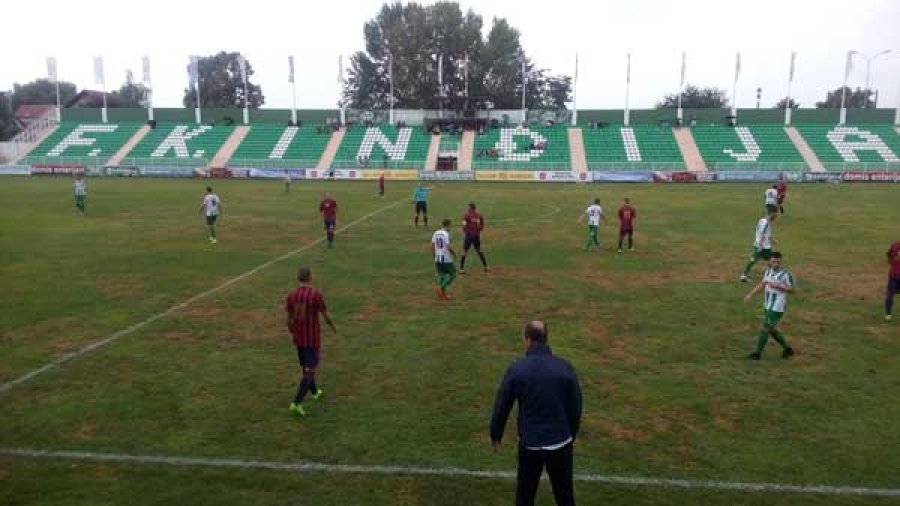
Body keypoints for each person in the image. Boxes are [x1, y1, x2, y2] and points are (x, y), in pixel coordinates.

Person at [490, 321, 582, 506]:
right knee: (564, 495)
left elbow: (502, 404)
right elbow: (576, 406)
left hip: (530, 443)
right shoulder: (564, 367)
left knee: (525, 494)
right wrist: (570, 433)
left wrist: (496, 432)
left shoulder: (517, 369)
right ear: (546, 338)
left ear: (528, 340)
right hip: (560, 443)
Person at [285, 266, 337, 417]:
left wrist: (292, 331)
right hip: (312, 339)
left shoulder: (291, 296)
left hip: (299, 339)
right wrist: (333, 326)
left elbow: (288, 319)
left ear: (298, 279)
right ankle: (296, 403)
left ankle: (314, 392)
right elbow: (325, 314)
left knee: (306, 367)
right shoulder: (315, 294)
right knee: (310, 370)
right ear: (310, 277)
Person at [743, 252, 796, 360]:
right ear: (770, 262)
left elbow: (792, 290)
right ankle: (788, 349)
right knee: (770, 329)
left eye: (778, 262)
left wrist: (779, 286)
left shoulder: (786, 274)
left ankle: (757, 353)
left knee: (765, 327)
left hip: (778, 306)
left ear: (781, 261)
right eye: (773, 262)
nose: (776, 264)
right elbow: (762, 284)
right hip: (768, 305)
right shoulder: (768, 271)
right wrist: (750, 295)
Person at [741, 211, 777, 282]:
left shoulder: (762, 220)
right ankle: (771, 276)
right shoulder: (767, 223)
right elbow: (763, 234)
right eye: (775, 216)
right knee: (772, 260)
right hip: (764, 246)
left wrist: (772, 240)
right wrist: (760, 245)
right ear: (771, 215)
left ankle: (744, 275)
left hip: (758, 244)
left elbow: (764, 233)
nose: (775, 217)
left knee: (753, 260)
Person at [431, 219, 457, 300]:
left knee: (442, 276)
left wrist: (434, 256)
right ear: (448, 225)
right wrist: (454, 253)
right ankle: (440, 287)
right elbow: (448, 246)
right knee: (453, 274)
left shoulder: (436, 232)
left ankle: (443, 295)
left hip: (438, 258)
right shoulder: (446, 234)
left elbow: (432, 245)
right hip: (446, 258)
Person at [459, 202, 489, 274]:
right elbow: (482, 226)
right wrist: (478, 229)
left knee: (464, 252)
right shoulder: (479, 215)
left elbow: (463, 226)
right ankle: (486, 266)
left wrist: (466, 231)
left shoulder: (466, 215)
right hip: (476, 236)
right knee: (479, 250)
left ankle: (461, 269)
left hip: (469, 236)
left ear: (469, 207)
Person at [885, 240, 900, 321]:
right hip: (894, 275)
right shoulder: (895, 245)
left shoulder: (895, 244)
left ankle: (888, 314)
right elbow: (889, 255)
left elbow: (889, 256)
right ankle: (888, 314)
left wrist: (891, 262)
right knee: (890, 294)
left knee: (890, 294)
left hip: (894, 274)